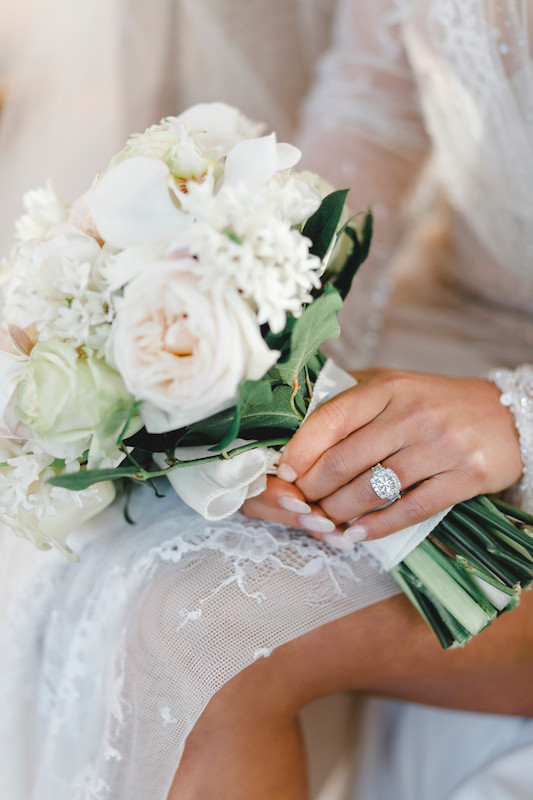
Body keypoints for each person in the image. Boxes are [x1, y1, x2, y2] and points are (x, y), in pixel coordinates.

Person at [1, 1, 533, 799]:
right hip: (455, 331)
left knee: (198, 638)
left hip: (502, 395)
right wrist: (276, 369)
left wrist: (513, 417)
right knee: (114, 556)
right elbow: (375, 109)